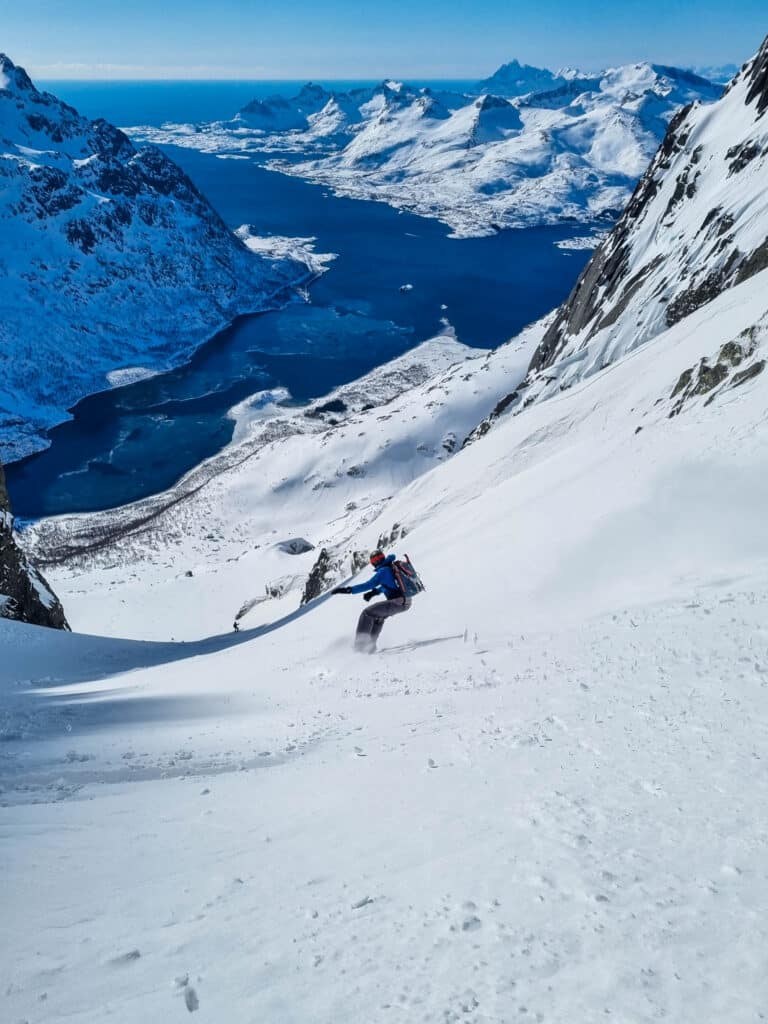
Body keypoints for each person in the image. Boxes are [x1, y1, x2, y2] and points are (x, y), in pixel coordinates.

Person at [332, 550, 412, 653]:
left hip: (398, 602)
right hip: (405, 601)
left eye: (373, 562)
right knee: (378, 616)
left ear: (375, 562)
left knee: (367, 613)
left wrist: (348, 590)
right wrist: (375, 592)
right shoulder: (390, 567)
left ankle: (359, 648)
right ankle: (370, 647)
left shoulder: (383, 571)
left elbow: (368, 584)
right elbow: (391, 585)